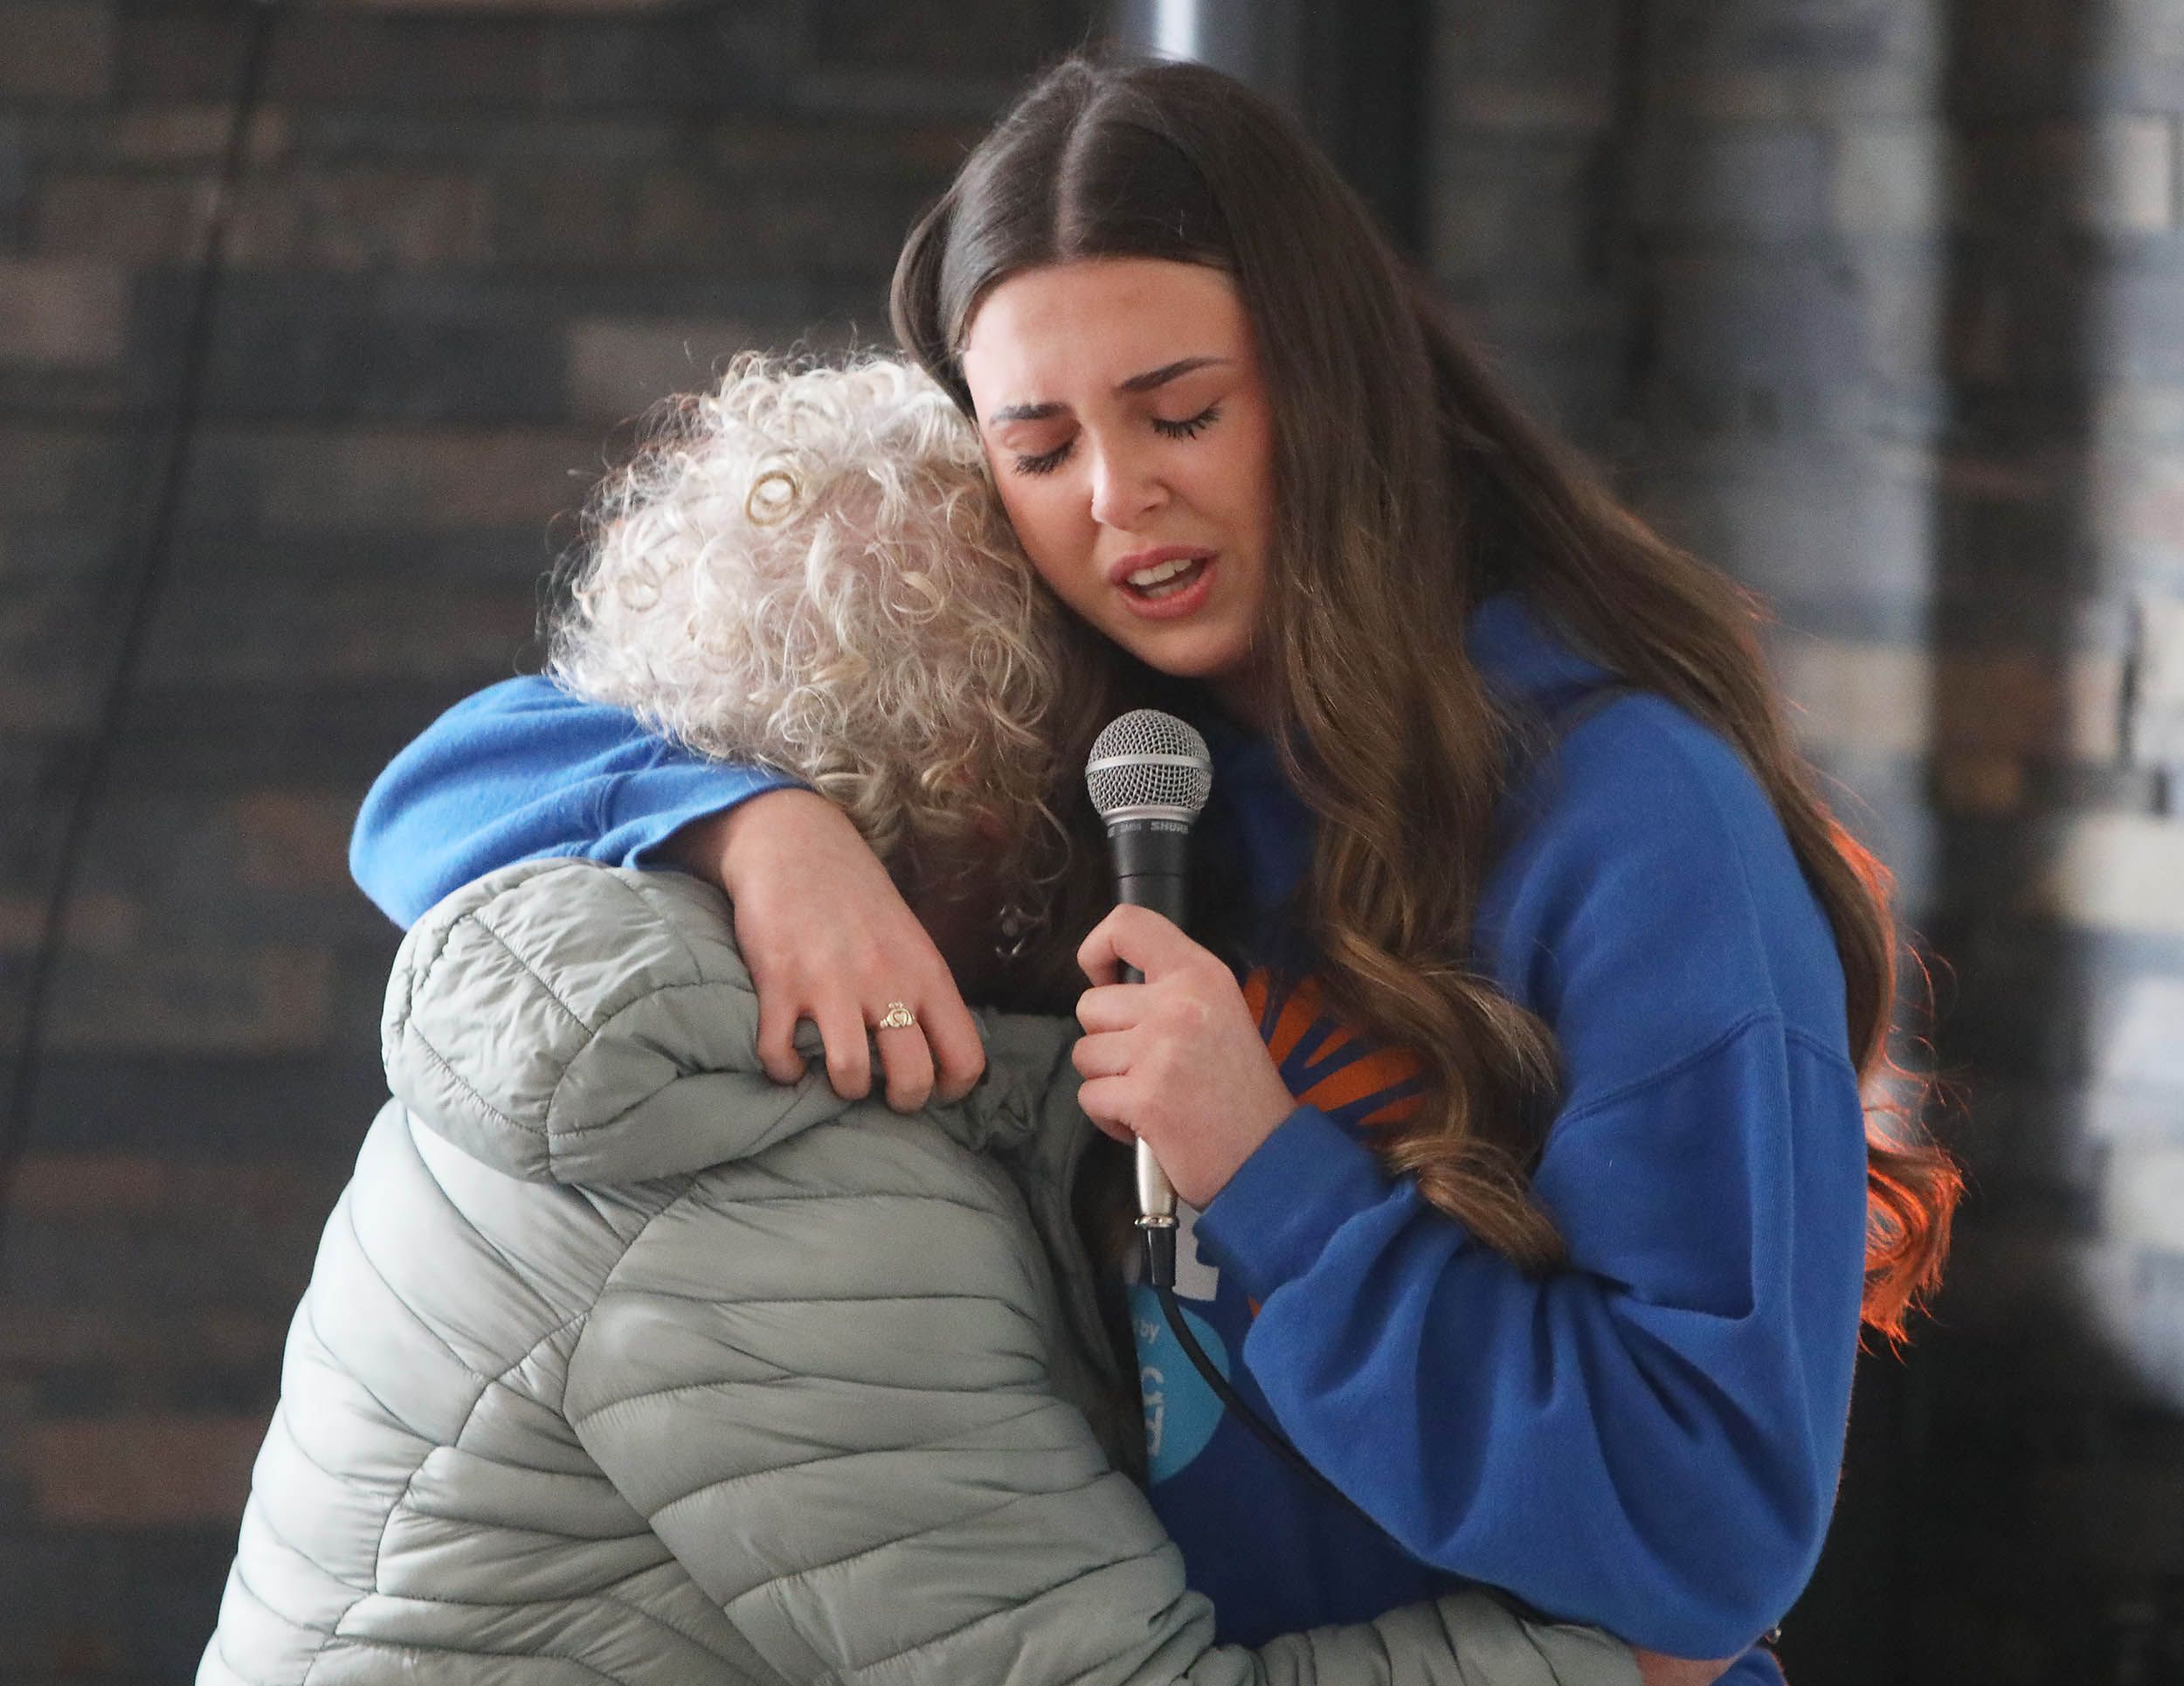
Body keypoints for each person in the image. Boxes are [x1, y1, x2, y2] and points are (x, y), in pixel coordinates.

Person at [349, 53, 1961, 1686]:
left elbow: (1712, 1533)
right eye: (1039, 448)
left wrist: (1266, 1164)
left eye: (1183, 411)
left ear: (1329, 385)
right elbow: (441, 782)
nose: (1122, 499)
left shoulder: (1632, 821)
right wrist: (752, 828)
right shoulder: (1101, 741)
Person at [199, 354, 1644, 1686]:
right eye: (1100, 712)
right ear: (988, 792)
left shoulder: (652, 952)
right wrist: (1606, 1660)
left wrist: (746, 818)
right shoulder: (782, 1176)